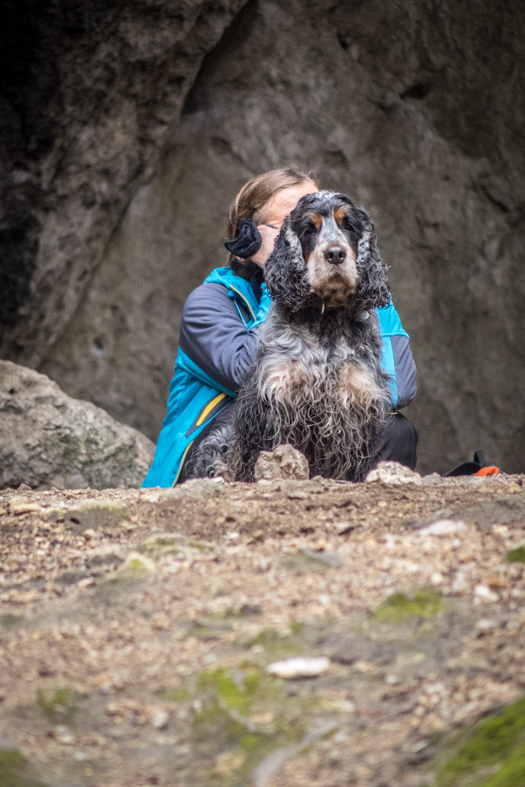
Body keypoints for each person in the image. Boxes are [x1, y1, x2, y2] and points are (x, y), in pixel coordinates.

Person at [143, 167, 417, 488]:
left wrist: (355, 295)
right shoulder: (210, 302)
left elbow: (400, 388)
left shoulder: (365, 301)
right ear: (252, 238)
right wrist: (277, 275)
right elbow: (249, 379)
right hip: (217, 457)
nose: (331, 242)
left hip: (321, 452)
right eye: (303, 225)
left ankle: (357, 520)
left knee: (396, 430)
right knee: (249, 416)